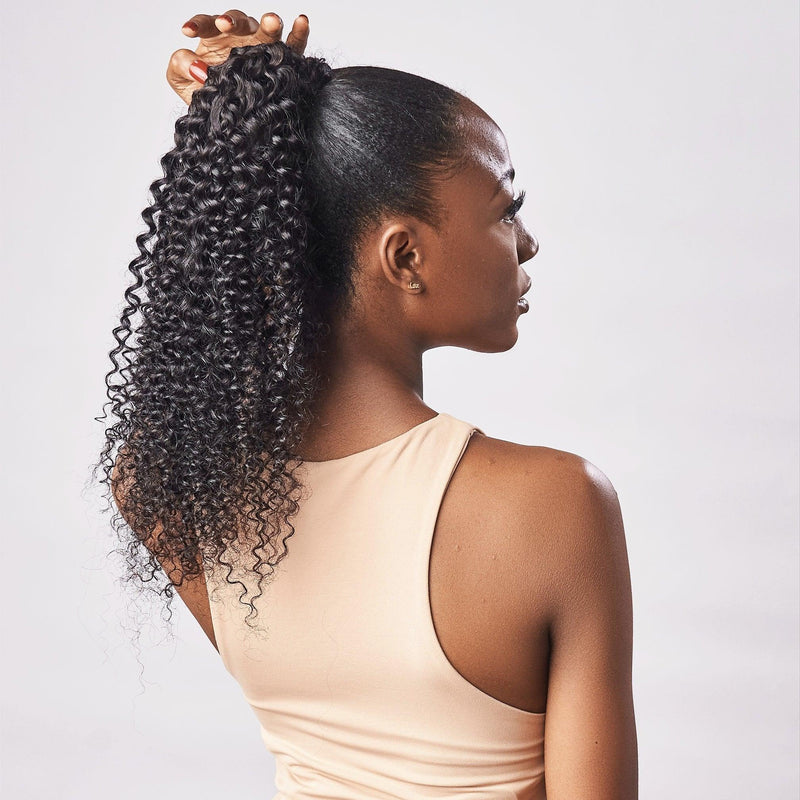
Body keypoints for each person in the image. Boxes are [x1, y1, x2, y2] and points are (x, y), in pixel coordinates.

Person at [101, 10, 637, 799]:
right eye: (505, 209)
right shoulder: (555, 506)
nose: (526, 242)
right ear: (405, 255)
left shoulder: (169, 486)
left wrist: (251, 126)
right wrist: (261, 112)